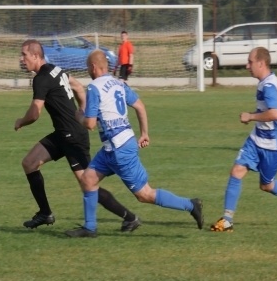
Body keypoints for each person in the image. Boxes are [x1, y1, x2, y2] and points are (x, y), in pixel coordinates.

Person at [65, 50, 203, 238]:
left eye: (88, 68)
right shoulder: (118, 83)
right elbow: (139, 106)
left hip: (120, 149)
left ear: (93, 67)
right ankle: (89, 228)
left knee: (144, 194)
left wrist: (79, 116)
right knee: (88, 180)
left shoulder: (94, 87)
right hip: (113, 147)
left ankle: (191, 204)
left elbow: (89, 124)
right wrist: (144, 133)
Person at [14, 39, 140, 232]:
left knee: (87, 184)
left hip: (73, 137)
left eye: (24, 55)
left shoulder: (41, 78)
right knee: (29, 163)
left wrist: (21, 121)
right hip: (63, 133)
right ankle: (45, 213)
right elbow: (78, 87)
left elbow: (35, 113)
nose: (22, 59)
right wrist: (81, 112)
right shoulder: (56, 70)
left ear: (36, 56)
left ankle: (129, 218)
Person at [210, 47, 277, 232]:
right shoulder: (266, 82)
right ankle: (227, 220)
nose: (247, 65)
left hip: (273, 145)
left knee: (266, 186)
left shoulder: (268, 86)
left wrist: (250, 116)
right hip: (256, 138)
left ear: (261, 63)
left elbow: (275, 114)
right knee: (236, 171)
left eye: (250, 62)